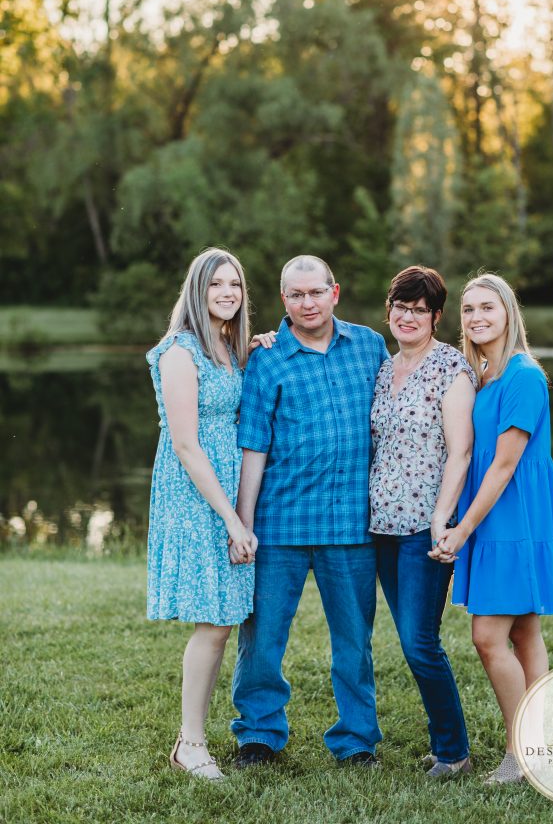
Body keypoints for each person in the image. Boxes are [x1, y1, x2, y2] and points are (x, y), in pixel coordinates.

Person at [231, 254, 390, 767]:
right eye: (296, 295)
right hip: (280, 523)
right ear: (284, 301)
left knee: (354, 643)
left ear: (334, 292)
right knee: (262, 639)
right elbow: (253, 446)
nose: (307, 303)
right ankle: (258, 732)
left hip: (351, 525)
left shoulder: (369, 346)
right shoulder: (267, 358)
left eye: (315, 293)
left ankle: (356, 739)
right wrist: (244, 523)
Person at [430, 273, 553, 785]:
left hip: (515, 517)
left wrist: (462, 527)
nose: (476, 318)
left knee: (489, 636)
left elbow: (505, 465)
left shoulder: (523, 375)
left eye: (487, 308)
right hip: (497, 517)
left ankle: (521, 753)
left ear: (508, 312)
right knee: (525, 631)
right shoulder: (484, 373)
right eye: (468, 310)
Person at [146, 247, 272, 781]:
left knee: (222, 619)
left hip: (224, 493)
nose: (227, 293)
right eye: (216, 284)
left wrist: (253, 349)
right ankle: (190, 744)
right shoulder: (180, 350)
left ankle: (192, 739)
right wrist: (232, 519)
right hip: (197, 495)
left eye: (235, 285)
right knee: (215, 621)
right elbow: (186, 445)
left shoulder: (224, 346)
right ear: (196, 291)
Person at [369, 266, 477, 779]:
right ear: (389, 310)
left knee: (419, 641)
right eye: (400, 307)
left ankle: (454, 752)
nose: (407, 316)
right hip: (381, 528)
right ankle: (445, 744)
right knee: (413, 639)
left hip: (424, 529)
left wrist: (441, 519)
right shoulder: (383, 369)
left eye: (419, 309)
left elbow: (461, 452)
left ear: (435, 317)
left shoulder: (450, 369)